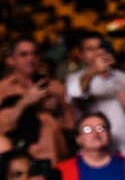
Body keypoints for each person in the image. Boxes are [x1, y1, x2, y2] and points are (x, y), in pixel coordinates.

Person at [65, 31, 125, 156]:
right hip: (93, 152)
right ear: (80, 54)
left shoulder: (124, 78)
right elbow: (75, 94)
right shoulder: (74, 79)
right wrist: (94, 71)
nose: (98, 52)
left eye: (100, 47)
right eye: (90, 49)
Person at [0, 37, 71, 165]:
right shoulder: (3, 89)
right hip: (18, 161)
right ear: (11, 60)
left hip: (55, 157)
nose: (30, 59)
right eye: (24, 54)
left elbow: (71, 125)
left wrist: (59, 110)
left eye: (34, 54)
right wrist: (25, 102)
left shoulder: (55, 87)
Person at [56, 113, 125, 180]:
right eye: (87, 129)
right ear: (78, 138)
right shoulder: (62, 170)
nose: (96, 133)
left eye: (101, 128)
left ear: (109, 135)